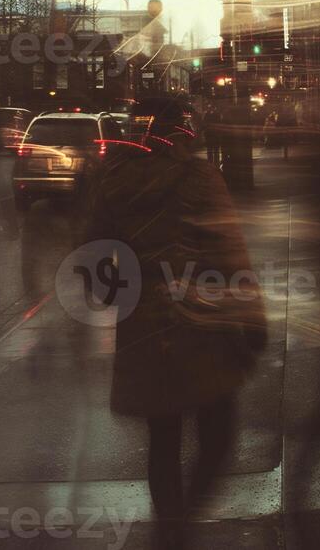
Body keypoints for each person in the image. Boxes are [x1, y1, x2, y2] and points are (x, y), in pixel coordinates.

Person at [87, 133, 267, 547]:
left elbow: (93, 254)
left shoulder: (111, 180)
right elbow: (229, 248)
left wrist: (119, 290)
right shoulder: (198, 176)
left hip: (144, 324)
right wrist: (252, 312)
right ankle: (184, 518)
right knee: (218, 429)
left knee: (163, 435)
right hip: (202, 316)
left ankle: (170, 526)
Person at [202, 102, 222, 166]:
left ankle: (212, 163)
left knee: (212, 150)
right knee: (213, 150)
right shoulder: (216, 114)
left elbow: (204, 124)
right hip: (213, 135)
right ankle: (214, 163)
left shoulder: (208, 115)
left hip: (211, 135)